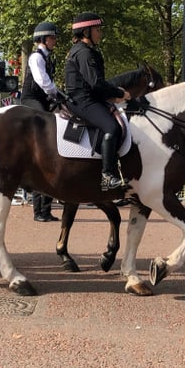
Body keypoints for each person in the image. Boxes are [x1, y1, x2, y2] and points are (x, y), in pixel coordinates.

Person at [64, 12, 131, 191]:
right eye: (97, 29)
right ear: (86, 32)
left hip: (88, 98)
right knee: (112, 127)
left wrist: (113, 95)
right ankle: (107, 175)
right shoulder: (84, 53)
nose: (100, 33)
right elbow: (96, 83)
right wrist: (119, 93)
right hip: (83, 100)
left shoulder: (85, 51)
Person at [21, 21, 61, 222]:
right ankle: (39, 210)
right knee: (47, 129)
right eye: (52, 37)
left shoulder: (48, 58)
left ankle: (45, 208)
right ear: (44, 39)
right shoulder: (36, 57)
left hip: (43, 99)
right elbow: (44, 82)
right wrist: (57, 93)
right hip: (31, 100)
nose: (55, 41)